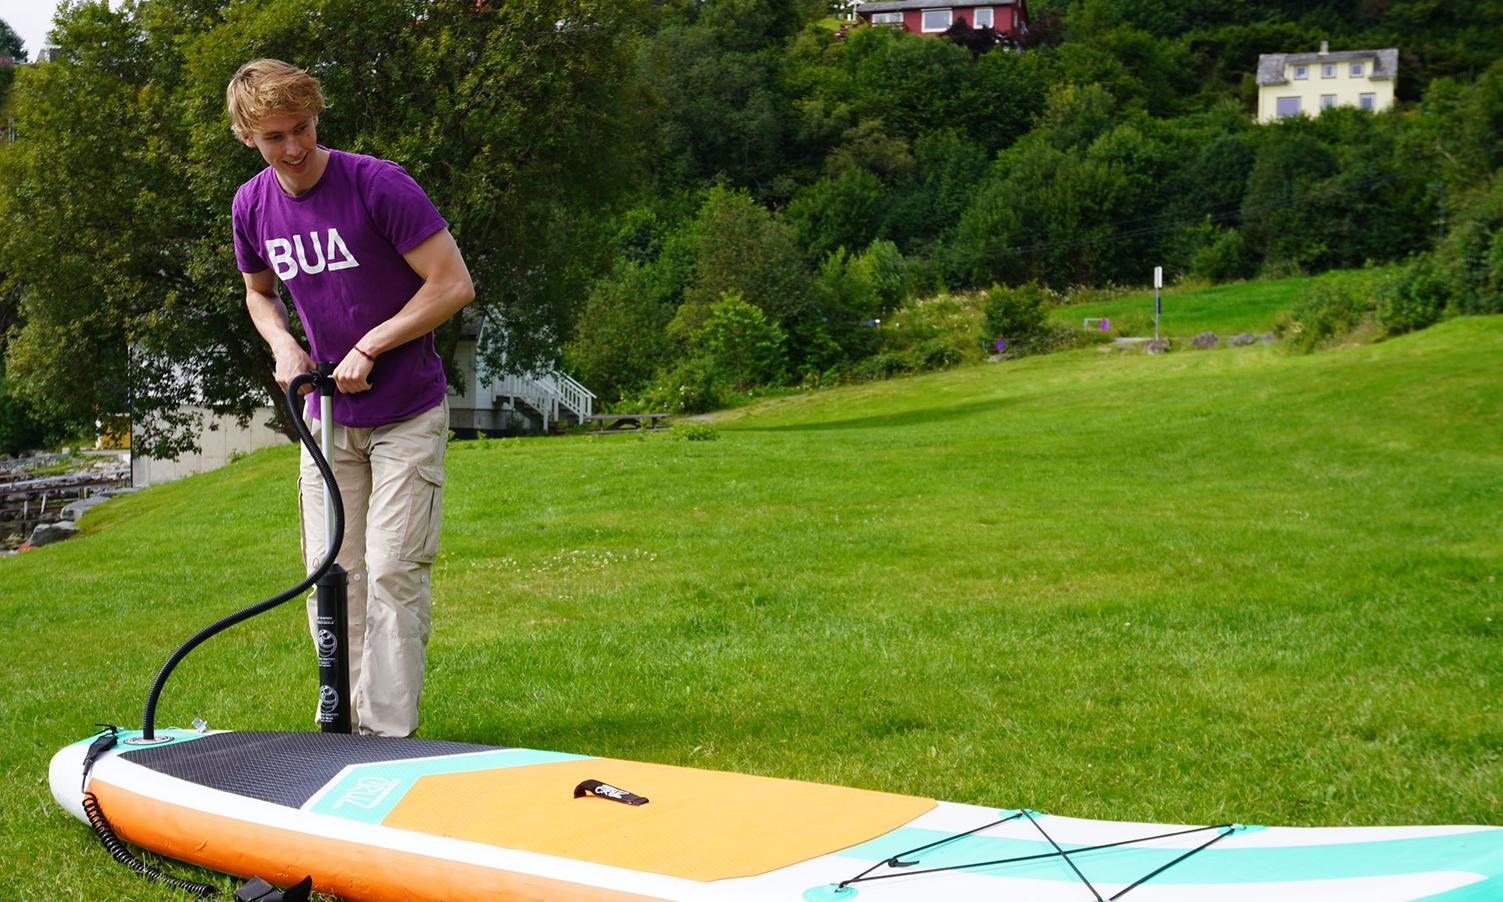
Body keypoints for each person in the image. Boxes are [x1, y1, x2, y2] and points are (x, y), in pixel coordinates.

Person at [227, 59, 474, 737]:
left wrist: (373, 344)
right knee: (330, 571)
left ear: (316, 117)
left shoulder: (377, 185)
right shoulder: (251, 205)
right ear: (248, 136)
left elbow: (452, 284)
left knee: (394, 569)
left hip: (406, 410)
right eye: (274, 136)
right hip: (327, 417)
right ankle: (339, 723)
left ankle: (386, 735)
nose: (294, 148)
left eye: (301, 128)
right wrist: (283, 346)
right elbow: (258, 293)